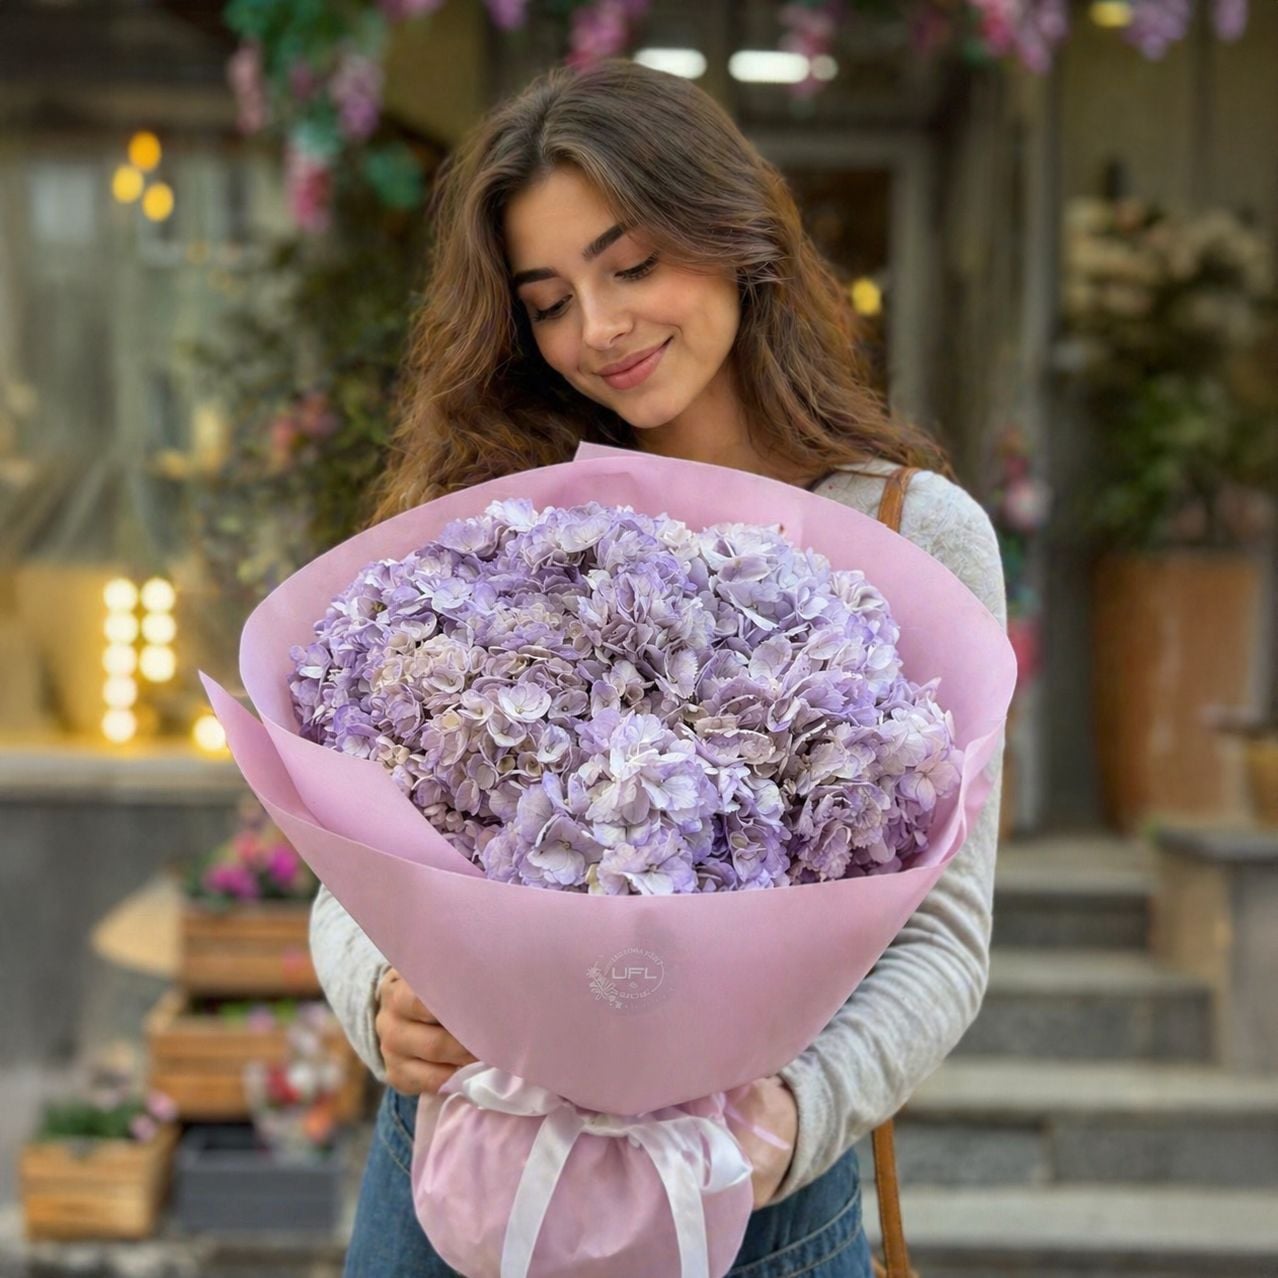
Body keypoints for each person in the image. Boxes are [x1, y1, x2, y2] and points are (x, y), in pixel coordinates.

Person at [311, 57, 1007, 1278]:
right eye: (549, 299)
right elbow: (350, 859)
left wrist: (793, 1118)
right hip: (469, 1168)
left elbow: (943, 935)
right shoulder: (495, 514)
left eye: (632, 266)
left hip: (753, 1195)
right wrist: (378, 996)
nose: (601, 328)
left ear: (734, 234)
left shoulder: (912, 531)